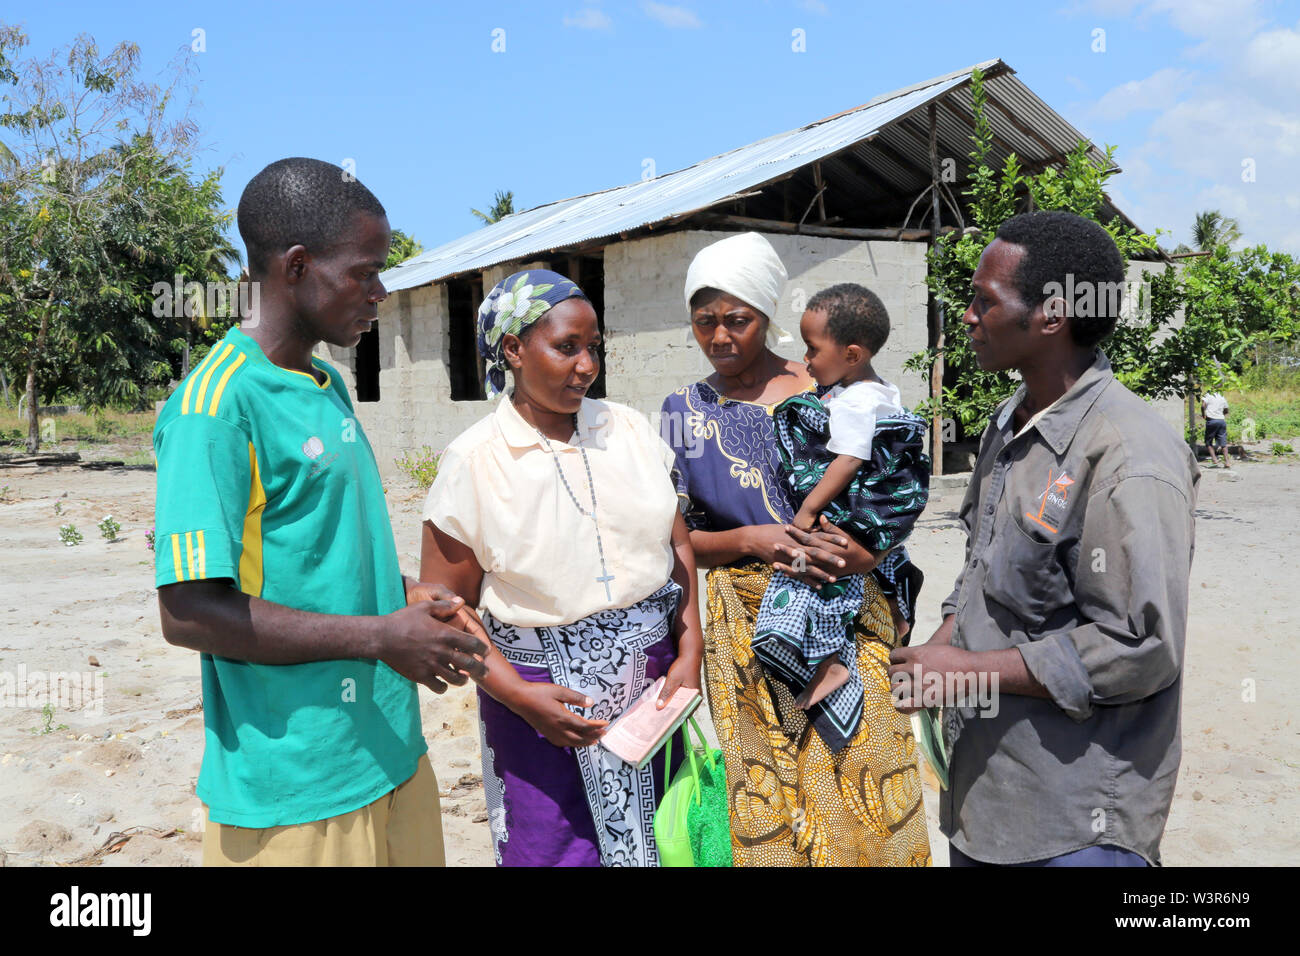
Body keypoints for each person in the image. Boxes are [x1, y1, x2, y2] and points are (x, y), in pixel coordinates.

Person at [153, 158, 488, 867]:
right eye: (364, 272)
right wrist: (378, 638)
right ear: (297, 268)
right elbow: (187, 612)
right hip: (297, 790)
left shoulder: (325, 383)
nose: (381, 291)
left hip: (390, 753)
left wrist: (404, 598)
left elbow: (310, 555)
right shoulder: (215, 408)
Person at [890, 211, 1199, 867]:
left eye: (983, 301)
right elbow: (982, 575)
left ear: (1052, 316)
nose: (967, 316)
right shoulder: (1010, 424)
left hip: (1074, 828)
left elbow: (1141, 646)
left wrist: (970, 673)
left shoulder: (1126, 453)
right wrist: (937, 656)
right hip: (988, 801)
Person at [661, 232, 931, 867]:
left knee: (868, 769)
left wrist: (871, 557)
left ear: (767, 316)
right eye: (705, 322)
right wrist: (749, 539)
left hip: (841, 602)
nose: (720, 337)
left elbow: (895, 485)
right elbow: (677, 537)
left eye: (738, 320)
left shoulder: (829, 387)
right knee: (768, 792)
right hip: (742, 624)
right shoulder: (682, 412)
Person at [419, 269, 705, 867]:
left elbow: (676, 540)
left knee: (669, 842)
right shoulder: (475, 461)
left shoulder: (626, 429)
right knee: (553, 850)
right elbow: (445, 607)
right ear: (515, 350)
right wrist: (520, 698)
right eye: (567, 347)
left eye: (593, 347)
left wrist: (691, 645)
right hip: (540, 699)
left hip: (652, 691)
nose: (586, 365)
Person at [753, 283, 929, 727]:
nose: (807, 360)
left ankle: (830, 661)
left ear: (851, 354)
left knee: (812, 571)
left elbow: (848, 462)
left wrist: (808, 510)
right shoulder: (883, 391)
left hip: (856, 506)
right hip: (885, 512)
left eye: (813, 349)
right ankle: (899, 610)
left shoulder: (854, 402)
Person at [1202, 389, 1230, 467]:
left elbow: (1203, 406)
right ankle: (1227, 462)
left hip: (1211, 421)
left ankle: (1214, 460)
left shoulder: (1207, 395)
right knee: (1223, 443)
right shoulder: (1221, 396)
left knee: (1208, 442)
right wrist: (1220, 415)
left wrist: (1204, 415)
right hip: (1221, 421)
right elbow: (1226, 410)